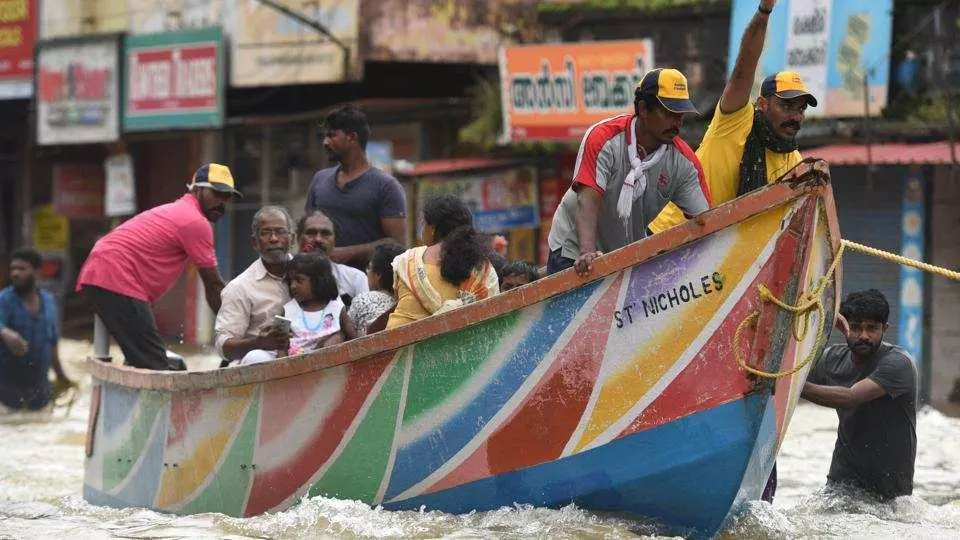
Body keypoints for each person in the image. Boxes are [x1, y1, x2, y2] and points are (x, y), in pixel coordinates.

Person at [649, 0, 817, 234]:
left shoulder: (794, 162)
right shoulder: (736, 121)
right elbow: (743, 70)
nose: (795, 116)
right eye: (787, 106)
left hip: (715, 252)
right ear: (763, 104)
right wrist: (764, 12)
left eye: (800, 109)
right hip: (667, 236)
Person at [545, 67, 711, 276]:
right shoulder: (603, 137)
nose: (677, 123)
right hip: (573, 250)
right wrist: (587, 253)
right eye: (669, 114)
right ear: (643, 108)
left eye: (681, 115)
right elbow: (587, 199)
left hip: (624, 257)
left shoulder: (684, 163)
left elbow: (706, 220)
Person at [76, 163, 239, 371]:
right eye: (216, 194)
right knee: (155, 367)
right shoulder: (195, 222)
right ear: (197, 189)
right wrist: (235, 331)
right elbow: (214, 285)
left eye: (227, 197)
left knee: (145, 359)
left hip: (101, 273)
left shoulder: (179, 210)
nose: (222, 203)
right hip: (116, 278)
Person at [802, 289, 918, 501]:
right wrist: (821, 319)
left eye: (872, 328)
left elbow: (851, 398)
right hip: (841, 482)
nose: (863, 335)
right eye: (855, 327)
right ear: (844, 327)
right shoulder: (831, 359)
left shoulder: (898, 364)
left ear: (885, 329)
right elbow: (795, 366)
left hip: (889, 494)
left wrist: (794, 384)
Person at [305, 105, 407, 269]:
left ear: (352, 138)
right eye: (325, 136)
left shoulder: (386, 186)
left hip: (368, 284)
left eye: (332, 136)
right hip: (324, 283)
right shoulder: (319, 180)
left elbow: (398, 244)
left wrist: (348, 253)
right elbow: (306, 231)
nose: (325, 142)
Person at [386, 195, 499, 329]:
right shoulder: (483, 268)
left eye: (423, 223)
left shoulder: (408, 261)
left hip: (402, 345)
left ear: (433, 228)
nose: (422, 229)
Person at [240, 253, 356, 364]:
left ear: (318, 281)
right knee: (254, 356)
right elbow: (281, 345)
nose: (293, 286)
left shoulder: (336, 308)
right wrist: (282, 366)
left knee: (335, 339)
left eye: (299, 280)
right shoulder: (288, 310)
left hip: (328, 364)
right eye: (290, 282)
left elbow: (355, 339)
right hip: (295, 363)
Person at [215, 206, 295, 367]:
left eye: (280, 231)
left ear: (292, 239)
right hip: (263, 363)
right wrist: (259, 342)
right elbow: (223, 347)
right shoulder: (239, 287)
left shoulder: (311, 274)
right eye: (266, 233)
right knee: (256, 359)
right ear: (254, 242)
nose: (274, 238)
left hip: (309, 356)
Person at [0, 248, 73, 412]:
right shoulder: (4, 300)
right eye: (13, 269)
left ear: (37, 272)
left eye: (22, 269)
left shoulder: (49, 302)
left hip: (40, 393)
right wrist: (5, 332)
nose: (16, 273)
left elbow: (53, 343)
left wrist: (62, 378)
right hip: (6, 394)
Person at [297, 210, 369, 304]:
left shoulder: (355, 278)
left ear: (335, 241)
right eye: (311, 233)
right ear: (298, 238)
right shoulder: (285, 277)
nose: (318, 239)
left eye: (325, 233)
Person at [348, 241, 405, 337]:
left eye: (369, 268)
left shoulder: (364, 300)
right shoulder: (409, 302)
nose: (367, 272)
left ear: (378, 274)